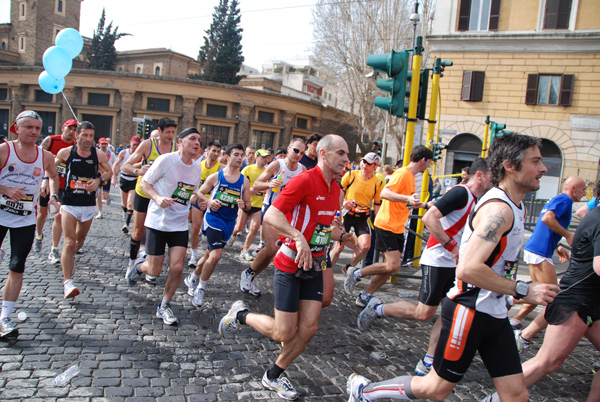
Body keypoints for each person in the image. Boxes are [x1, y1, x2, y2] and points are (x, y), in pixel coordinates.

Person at [347, 134, 560, 402]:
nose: (544, 168)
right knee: (435, 388)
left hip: (494, 313)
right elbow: (468, 269)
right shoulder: (499, 210)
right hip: (469, 310)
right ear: (510, 165)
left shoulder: (514, 206)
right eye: (536, 161)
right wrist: (522, 289)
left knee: (516, 395)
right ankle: (365, 391)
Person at [219, 134, 354, 400]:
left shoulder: (336, 189)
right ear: (324, 154)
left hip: (314, 265)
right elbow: (272, 215)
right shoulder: (304, 180)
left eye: (347, 155)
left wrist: (344, 237)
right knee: (283, 331)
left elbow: (323, 229)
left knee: (309, 328)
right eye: (341, 153)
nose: (347, 159)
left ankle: (274, 374)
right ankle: (240, 315)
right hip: (290, 264)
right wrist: (297, 237)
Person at [356, 158, 493, 378]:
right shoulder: (461, 193)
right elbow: (430, 218)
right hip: (438, 260)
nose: (495, 180)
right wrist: (451, 246)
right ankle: (378, 308)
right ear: (480, 175)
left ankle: (429, 358)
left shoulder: (481, 199)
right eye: (492, 175)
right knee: (424, 314)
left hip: (457, 264)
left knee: (450, 310)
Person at [484, 196, 600, 402]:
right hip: (576, 301)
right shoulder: (596, 217)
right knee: (548, 361)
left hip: (591, 301)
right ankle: (495, 399)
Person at [125, 128, 207, 325]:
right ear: (180, 142)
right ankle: (139, 266)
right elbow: (145, 183)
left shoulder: (197, 168)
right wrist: (158, 197)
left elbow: (191, 193)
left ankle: (164, 306)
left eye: (199, 140)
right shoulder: (166, 160)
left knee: (177, 267)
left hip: (178, 224)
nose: (197, 143)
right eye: (192, 139)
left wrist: (198, 200)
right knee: (154, 270)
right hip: (157, 222)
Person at [344, 145, 431, 307]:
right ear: (423, 160)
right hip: (387, 224)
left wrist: (425, 205)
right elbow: (385, 194)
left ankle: (365, 295)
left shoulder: (411, 177)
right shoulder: (403, 174)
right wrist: (407, 198)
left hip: (397, 226)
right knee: (393, 264)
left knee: (390, 267)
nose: (429, 166)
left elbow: (406, 202)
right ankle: (357, 273)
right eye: (429, 163)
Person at [0, 110, 60, 338]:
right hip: (0, 214)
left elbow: (53, 175)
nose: (34, 132)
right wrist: (5, 189)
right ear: (17, 127)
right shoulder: (5, 150)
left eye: (37, 128)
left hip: (25, 220)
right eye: (28, 127)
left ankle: (4, 318)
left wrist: (52, 193)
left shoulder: (44, 156)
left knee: (17, 266)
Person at [511, 176, 586, 331]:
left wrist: (557, 244)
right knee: (551, 294)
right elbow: (547, 219)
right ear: (573, 189)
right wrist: (568, 235)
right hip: (540, 251)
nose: (584, 193)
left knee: (540, 293)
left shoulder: (557, 199)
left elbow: (544, 226)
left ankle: (515, 320)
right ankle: (507, 301)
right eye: (583, 189)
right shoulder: (566, 200)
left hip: (536, 249)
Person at [184, 144, 250, 307]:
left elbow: (248, 204)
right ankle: (200, 289)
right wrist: (209, 201)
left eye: (242, 155)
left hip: (229, 222)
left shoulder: (244, 181)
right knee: (216, 255)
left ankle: (192, 277)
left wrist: (243, 204)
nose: (240, 158)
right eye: (236, 154)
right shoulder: (216, 177)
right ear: (227, 156)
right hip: (213, 219)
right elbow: (198, 192)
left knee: (208, 255)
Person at [238, 137, 306, 297]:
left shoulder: (302, 169)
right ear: (289, 149)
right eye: (296, 150)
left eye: (302, 153)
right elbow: (256, 185)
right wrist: (270, 184)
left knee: (279, 250)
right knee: (272, 247)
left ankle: (252, 275)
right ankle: (248, 273)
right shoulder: (278, 165)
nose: (298, 154)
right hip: (272, 210)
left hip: (289, 213)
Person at [54, 121, 112, 299]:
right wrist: (48, 187)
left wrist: (99, 180)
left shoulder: (98, 154)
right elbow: (51, 170)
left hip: (88, 205)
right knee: (69, 243)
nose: (88, 139)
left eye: (90, 136)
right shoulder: (66, 153)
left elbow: (110, 172)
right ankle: (68, 283)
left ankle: (68, 259)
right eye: (84, 135)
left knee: (79, 242)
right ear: (77, 135)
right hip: (69, 203)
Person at [121, 117, 178, 278]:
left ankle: (150, 266)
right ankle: (132, 263)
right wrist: (137, 171)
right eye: (167, 132)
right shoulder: (148, 144)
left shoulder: (176, 148)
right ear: (159, 131)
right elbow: (126, 165)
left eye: (173, 132)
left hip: (162, 196)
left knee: (159, 230)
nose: (170, 135)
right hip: (144, 192)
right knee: (138, 232)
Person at [329, 152, 383, 273]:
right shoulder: (351, 174)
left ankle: (349, 266)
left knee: (365, 247)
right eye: (364, 161)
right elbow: (337, 192)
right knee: (339, 247)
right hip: (347, 214)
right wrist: (344, 203)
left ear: (375, 166)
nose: (365, 165)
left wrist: (378, 221)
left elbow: (377, 204)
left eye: (369, 163)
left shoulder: (378, 182)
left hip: (362, 217)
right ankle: (325, 272)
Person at [34, 118, 77, 261]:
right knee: (42, 214)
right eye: (69, 128)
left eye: (74, 130)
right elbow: (37, 156)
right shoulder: (50, 140)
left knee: (58, 215)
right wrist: (43, 179)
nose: (72, 132)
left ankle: (54, 249)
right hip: (46, 182)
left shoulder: (74, 147)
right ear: (63, 128)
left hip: (64, 186)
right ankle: (39, 236)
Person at [227, 149, 269, 261]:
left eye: (266, 157)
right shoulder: (248, 169)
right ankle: (233, 235)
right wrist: (249, 190)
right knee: (239, 227)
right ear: (257, 157)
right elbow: (238, 183)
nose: (265, 159)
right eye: (263, 157)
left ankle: (245, 250)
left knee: (254, 228)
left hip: (259, 204)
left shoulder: (268, 171)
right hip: (246, 203)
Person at [188, 141, 224, 268]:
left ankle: (207, 255)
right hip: (199, 200)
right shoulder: (198, 165)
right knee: (195, 227)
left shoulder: (221, 169)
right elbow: (192, 185)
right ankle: (193, 254)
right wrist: (195, 199)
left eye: (219, 152)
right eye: (214, 151)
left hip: (213, 203)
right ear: (207, 151)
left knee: (209, 231)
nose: (216, 154)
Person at [112, 135, 141, 234]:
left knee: (130, 203)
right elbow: (116, 163)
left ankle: (127, 225)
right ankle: (125, 216)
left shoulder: (140, 155)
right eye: (134, 144)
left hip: (134, 180)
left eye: (137, 145)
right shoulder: (124, 153)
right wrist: (114, 177)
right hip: (124, 179)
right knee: (124, 204)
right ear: (130, 143)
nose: (135, 147)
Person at [95, 137, 116, 219]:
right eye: (102, 144)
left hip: (107, 175)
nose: (104, 146)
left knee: (105, 196)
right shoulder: (96, 153)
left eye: (105, 144)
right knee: (98, 193)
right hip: (98, 175)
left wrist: (114, 174)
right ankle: (100, 212)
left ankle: (108, 198)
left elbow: (115, 163)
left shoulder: (111, 154)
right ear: (99, 144)